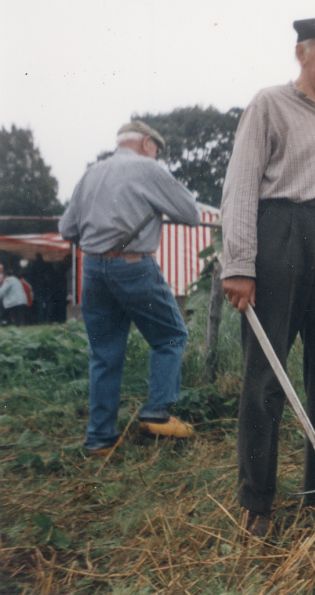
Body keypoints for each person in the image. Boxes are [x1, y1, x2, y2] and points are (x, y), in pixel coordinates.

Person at [221, 17, 315, 536]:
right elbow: (240, 184)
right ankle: (258, 501)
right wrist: (239, 264)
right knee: (267, 376)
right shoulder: (269, 104)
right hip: (281, 235)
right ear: (300, 54)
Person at [59, 121, 200, 456]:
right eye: (157, 150)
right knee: (170, 337)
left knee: (104, 354)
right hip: (134, 266)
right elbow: (192, 214)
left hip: (92, 270)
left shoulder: (92, 173)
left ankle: (99, 440)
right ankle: (156, 413)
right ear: (147, 143)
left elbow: (67, 229)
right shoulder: (149, 168)